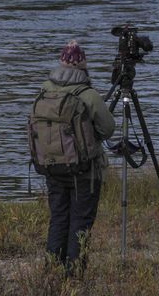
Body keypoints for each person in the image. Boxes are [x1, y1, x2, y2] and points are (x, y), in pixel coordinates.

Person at [42, 40, 115, 276]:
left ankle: (52, 271)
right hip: (85, 171)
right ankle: (74, 276)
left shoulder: (45, 88)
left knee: (59, 218)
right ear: (83, 66)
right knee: (80, 223)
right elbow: (108, 129)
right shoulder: (88, 94)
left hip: (52, 166)